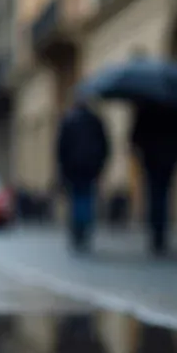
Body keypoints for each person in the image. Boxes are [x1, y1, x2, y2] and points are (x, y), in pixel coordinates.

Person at [130, 98, 177, 255]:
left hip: (152, 158)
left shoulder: (146, 107)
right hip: (168, 158)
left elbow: (136, 134)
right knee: (164, 194)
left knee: (154, 194)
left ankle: (156, 231)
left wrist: (137, 147)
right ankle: (160, 231)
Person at [55, 99, 110, 253]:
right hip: (90, 168)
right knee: (87, 198)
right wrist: (100, 165)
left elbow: (61, 149)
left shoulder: (68, 121)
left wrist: (62, 171)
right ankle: (84, 227)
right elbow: (105, 146)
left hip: (73, 169)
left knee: (76, 198)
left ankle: (78, 228)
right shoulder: (95, 121)